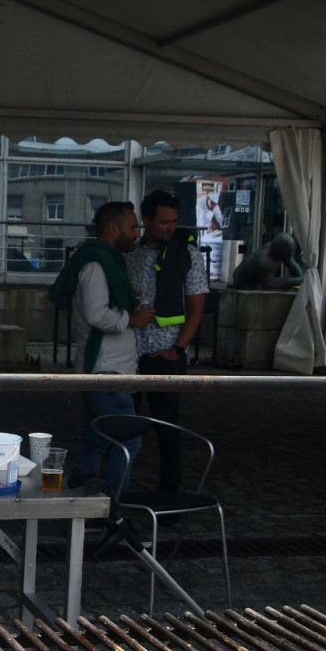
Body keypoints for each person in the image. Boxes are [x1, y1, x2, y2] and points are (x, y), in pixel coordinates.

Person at [49, 201, 153, 490]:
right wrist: (131, 318)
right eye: (132, 227)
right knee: (127, 442)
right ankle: (111, 509)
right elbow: (97, 315)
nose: (137, 233)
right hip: (105, 371)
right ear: (112, 228)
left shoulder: (105, 261)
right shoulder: (96, 265)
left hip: (109, 370)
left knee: (95, 437)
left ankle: (86, 502)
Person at [127, 189, 209, 491]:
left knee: (169, 429)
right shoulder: (131, 255)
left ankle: (171, 497)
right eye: (164, 222)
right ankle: (115, 495)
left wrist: (177, 349)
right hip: (131, 356)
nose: (171, 227)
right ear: (146, 220)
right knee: (124, 425)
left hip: (166, 355)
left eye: (174, 221)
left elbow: (197, 307)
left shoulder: (187, 254)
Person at [231, 232, 304, 290]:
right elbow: (269, 284)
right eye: (289, 251)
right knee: (261, 288)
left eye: (292, 250)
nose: (291, 254)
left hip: (246, 277)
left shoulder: (275, 248)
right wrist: (295, 281)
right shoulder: (266, 261)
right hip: (241, 282)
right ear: (282, 250)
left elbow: (293, 265)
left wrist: (300, 278)